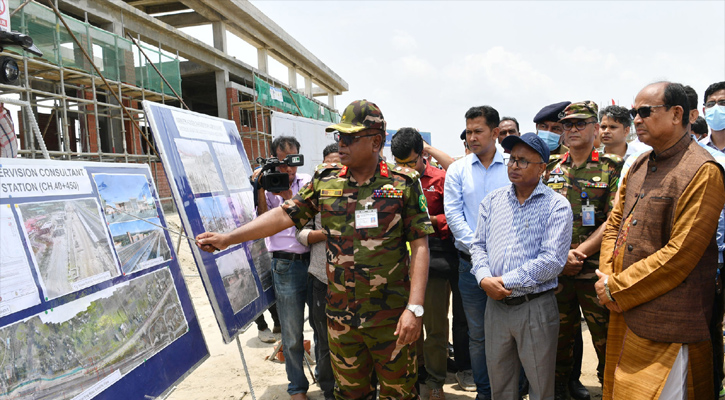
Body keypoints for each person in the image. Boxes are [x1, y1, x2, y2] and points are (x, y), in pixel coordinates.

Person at [198, 100, 433, 399]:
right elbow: (284, 215)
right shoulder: (326, 180)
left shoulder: (404, 183)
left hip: (391, 319)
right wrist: (229, 238)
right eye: (339, 138)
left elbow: (420, 244)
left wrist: (415, 308)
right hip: (341, 320)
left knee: (399, 394)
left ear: (376, 141)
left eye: (349, 138)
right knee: (349, 394)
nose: (341, 144)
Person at [596, 81, 725, 399]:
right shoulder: (639, 164)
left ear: (677, 114)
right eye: (633, 112)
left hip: (670, 319)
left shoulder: (703, 170)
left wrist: (616, 286)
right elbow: (614, 225)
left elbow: (681, 253)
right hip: (624, 309)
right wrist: (607, 276)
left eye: (645, 112)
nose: (636, 119)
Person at [472, 132, 572, 400]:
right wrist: (483, 278)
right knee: (500, 385)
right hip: (496, 307)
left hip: (534, 307)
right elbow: (478, 245)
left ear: (542, 168)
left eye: (523, 161)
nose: (514, 166)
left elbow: (551, 261)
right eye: (512, 159)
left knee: (540, 386)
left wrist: (503, 282)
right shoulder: (492, 201)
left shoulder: (556, 206)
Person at [548, 101, 622, 400]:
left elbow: (616, 218)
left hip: (595, 272)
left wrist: (579, 253)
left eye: (580, 123)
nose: (573, 129)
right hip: (557, 272)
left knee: (606, 343)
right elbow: (540, 217)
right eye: (568, 125)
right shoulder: (551, 169)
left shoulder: (611, 166)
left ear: (595, 128)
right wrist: (561, 256)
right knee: (558, 343)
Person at [445, 105, 509, 400]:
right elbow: (454, 215)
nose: (472, 137)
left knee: (513, 333)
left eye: (478, 131)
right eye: (468, 132)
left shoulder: (514, 165)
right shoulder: (457, 170)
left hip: (511, 266)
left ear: (495, 133)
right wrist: (480, 253)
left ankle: (512, 390)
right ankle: (485, 391)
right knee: (478, 335)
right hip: (470, 267)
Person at [392, 127, 458, 400]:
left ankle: (435, 380)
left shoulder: (441, 179)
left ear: (422, 156)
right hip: (397, 267)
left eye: (410, 163)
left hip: (433, 262)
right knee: (404, 325)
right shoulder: (389, 183)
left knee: (434, 325)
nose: (405, 169)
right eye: (400, 164)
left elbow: (454, 218)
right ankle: (413, 373)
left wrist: (427, 223)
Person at [254, 136, 312, 399]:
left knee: (322, 328)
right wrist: (259, 187)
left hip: (315, 262)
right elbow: (263, 219)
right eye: (283, 163)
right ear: (274, 160)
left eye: (293, 162)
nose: (289, 170)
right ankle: (297, 387)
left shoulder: (309, 182)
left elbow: (310, 217)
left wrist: (288, 196)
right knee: (291, 333)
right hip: (285, 265)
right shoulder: (266, 185)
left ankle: (326, 377)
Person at [295, 143, 339, 400]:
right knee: (323, 339)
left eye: (338, 163)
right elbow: (298, 233)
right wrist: (323, 234)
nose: (334, 169)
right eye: (329, 164)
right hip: (321, 277)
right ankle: (328, 389)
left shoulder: (356, 190)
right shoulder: (313, 192)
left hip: (352, 281)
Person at [533, 102, 570, 172]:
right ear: (537, 127)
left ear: (564, 133)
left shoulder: (570, 157)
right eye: (544, 127)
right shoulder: (526, 152)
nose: (548, 132)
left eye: (555, 129)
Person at [701, 81, 725, 151]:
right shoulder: (698, 149)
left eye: (722, 103)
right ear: (704, 111)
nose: (716, 108)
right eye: (710, 104)